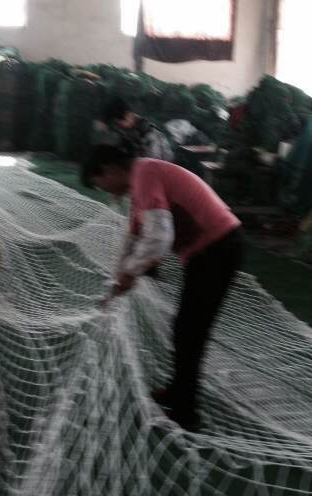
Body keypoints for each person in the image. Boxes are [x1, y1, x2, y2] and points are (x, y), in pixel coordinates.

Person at [82, 144, 243, 431]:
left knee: (190, 332)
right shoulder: (140, 182)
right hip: (209, 251)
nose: (104, 190)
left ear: (108, 170)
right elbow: (133, 239)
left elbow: (158, 238)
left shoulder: (145, 174)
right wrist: (118, 280)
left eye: (100, 183)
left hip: (219, 248)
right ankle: (179, 392)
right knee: (185, 329)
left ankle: (186, 412)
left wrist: (130, 273)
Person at [102, 97, 174, 161]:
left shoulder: (151, 134)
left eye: (119, 123)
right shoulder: (129, 133)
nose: (119, 127)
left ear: (128, 116)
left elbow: (154, 163)